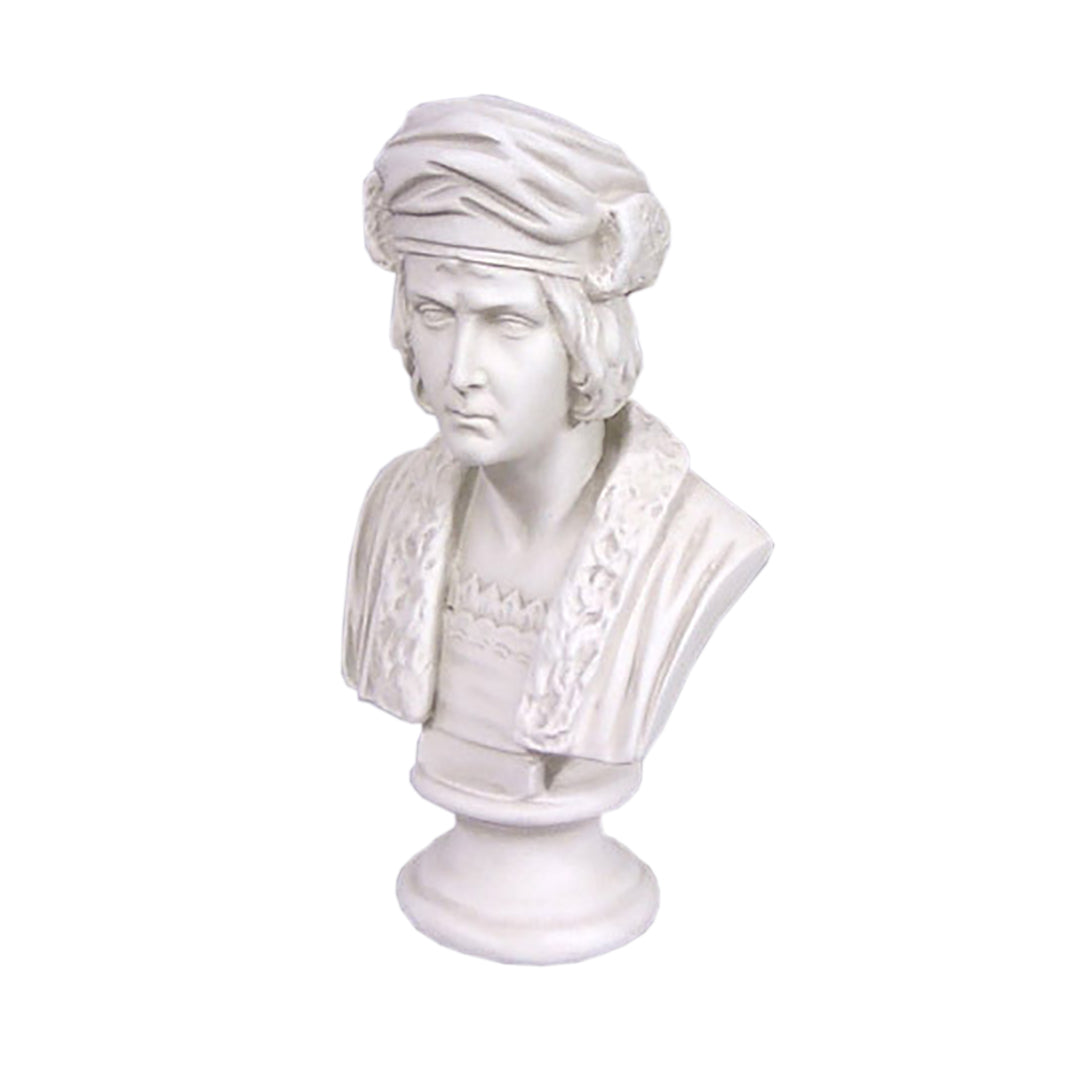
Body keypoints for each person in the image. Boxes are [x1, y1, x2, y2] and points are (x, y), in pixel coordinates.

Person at [342, 96, 772, 799]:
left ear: (584, 338)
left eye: (507, 322)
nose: (460, 370)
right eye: (434, 313)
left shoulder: (701, 543)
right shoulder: (394, 510)